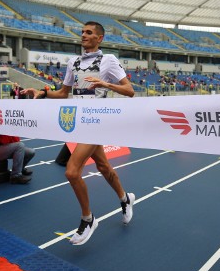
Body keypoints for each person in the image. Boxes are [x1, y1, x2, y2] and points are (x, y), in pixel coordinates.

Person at [22, 21, 136, 246]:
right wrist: (42, 92)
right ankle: (125, 199)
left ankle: (88, 218)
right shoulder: (73, 62)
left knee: (72, 172)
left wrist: (106, 84)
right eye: (82, 32)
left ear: (99, 38)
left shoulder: (109, 60)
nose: (83, 35)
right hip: (80, 122)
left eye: (89, 32)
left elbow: (130, 91)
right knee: (103, 167)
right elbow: (63, 93)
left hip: (99, 122)